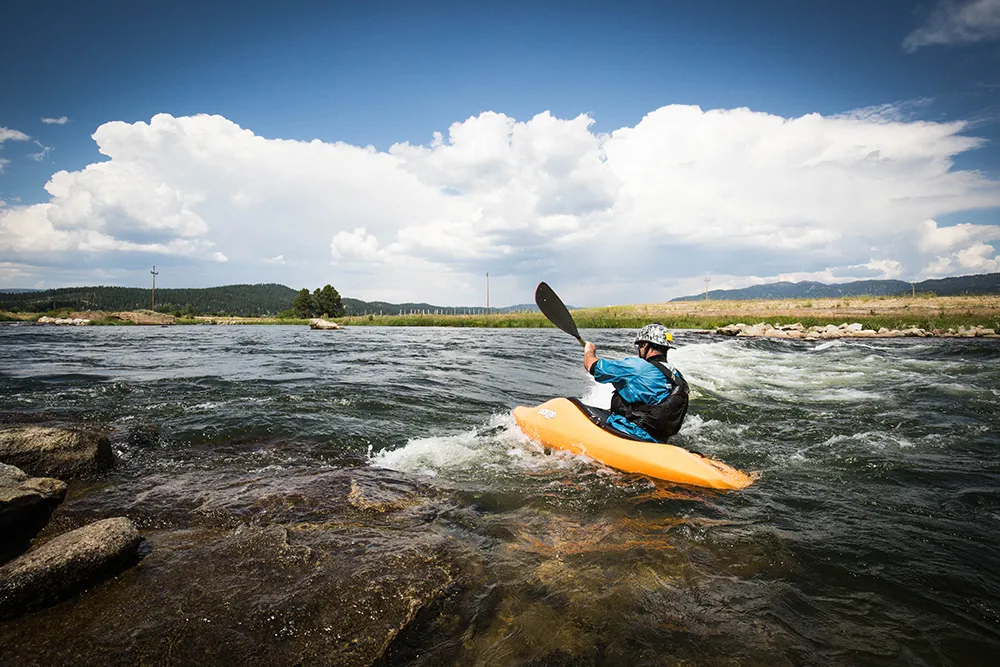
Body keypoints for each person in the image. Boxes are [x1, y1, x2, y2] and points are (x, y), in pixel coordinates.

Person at [582, 323, 689, 443]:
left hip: (629, 433)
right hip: (658, 439)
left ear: (645, 345)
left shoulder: (637, 367)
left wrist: (589, 351)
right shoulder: (677, 376)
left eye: (640, 345)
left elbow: (591, 366)